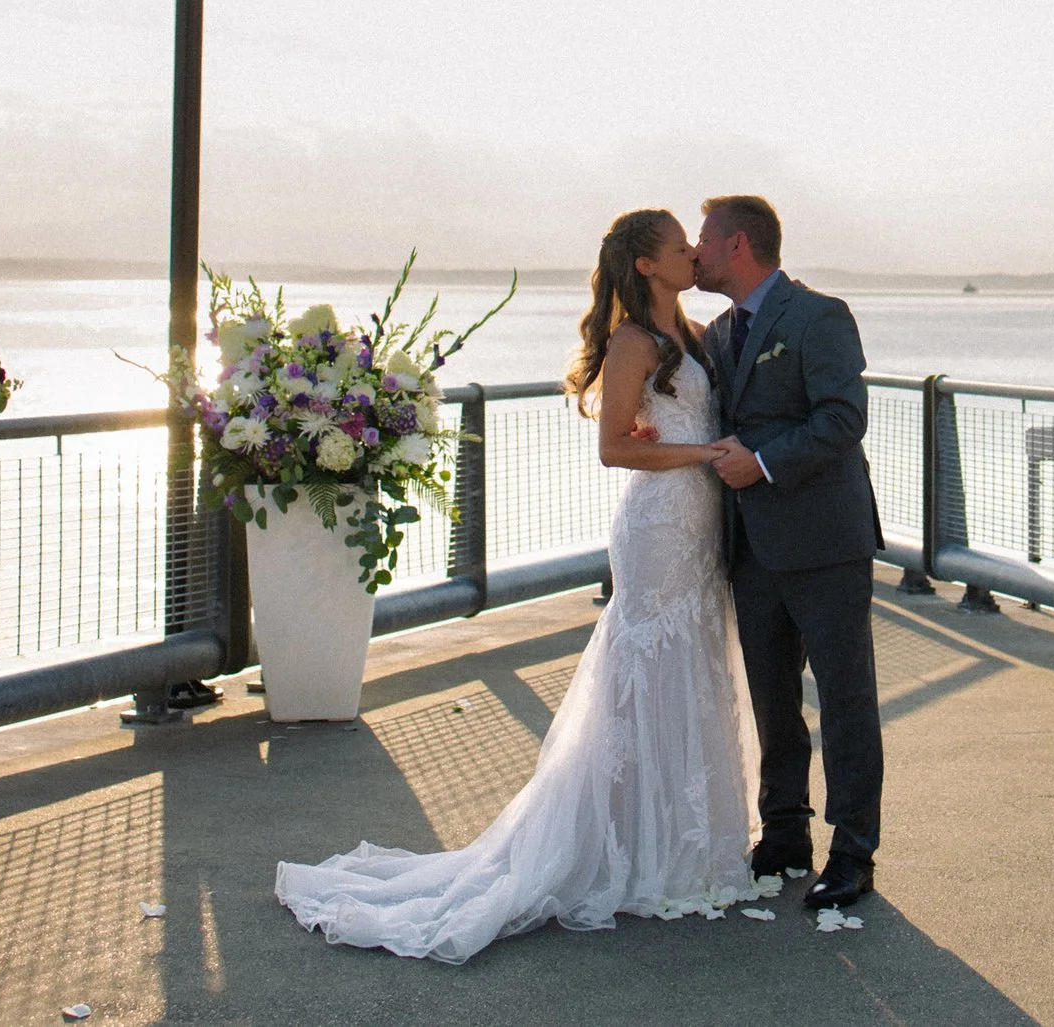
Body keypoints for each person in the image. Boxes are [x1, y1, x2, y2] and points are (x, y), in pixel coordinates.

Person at [276, 209, 758, 961]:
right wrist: (704, 452)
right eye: (677, 245)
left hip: (699, 523)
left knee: (690, 664)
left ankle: (678, 845)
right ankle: (627, 852)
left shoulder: (691, 336)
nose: (692, 251)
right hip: (659, 527)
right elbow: (611, 448)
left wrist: (700, 454)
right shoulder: (634, 342)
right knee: (647, 670)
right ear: (645, 266)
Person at [694, 194, 884, 909]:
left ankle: (855, 850)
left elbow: (843, 417)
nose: (696, 253)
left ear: (738, 244)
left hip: (826, 541)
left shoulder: (819, 316)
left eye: (704, 241)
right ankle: (784, 832)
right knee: (772, 700)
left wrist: (765, 462)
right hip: (751, 547)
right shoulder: (715, 334)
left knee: (845, 699)